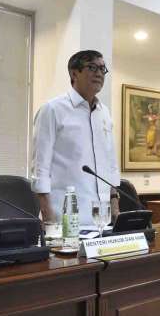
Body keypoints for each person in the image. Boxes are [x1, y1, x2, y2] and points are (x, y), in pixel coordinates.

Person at [32, 50, 120, 225]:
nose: (99, 73)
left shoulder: (104, 113)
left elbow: (110, 163)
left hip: (102, 217)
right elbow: (40, 168)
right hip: (66, 217)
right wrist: (47, 215)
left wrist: (114, 202)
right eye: (92, 67)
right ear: (74, 73)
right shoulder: (52, 109)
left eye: (103, 69)